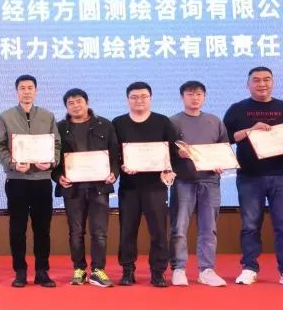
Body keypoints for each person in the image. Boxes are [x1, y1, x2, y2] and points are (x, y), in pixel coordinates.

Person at [223, 67, 283, 288]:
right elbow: (225, 139)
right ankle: (249, 268)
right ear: (248, 84)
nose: (262, 84)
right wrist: (250, 130)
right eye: (256, 80)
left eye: (267, 79)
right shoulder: (237, 109)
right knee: (250, 224)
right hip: (249, 176)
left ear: (273, 82)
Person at [0, 75, 61, 288]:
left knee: (42, 228)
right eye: (22, 88)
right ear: (17, 92)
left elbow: (56, 145)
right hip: (17, 180)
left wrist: (51, 162)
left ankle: (42, 271)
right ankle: (20, 272)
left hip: (42, 180)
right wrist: (13, 163)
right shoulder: (5, 116)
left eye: (30, 88)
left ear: (36, 91)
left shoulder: (48, 116)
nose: (26, 91)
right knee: (17, 228)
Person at [112, 82, 177, 287]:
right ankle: (127, 271)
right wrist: (122, 166)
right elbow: (113, 154)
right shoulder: (118, 123)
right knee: (127, 230)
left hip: (155, 186)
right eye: (134, 97)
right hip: (129, 187)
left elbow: (172, 152)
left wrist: (168, 168)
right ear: (127, 100)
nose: (139, 100)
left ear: (150, 98)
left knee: (158, 231)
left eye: (143, 96)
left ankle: (158, 272)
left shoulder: (162, 121)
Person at [52, 89, 119, 288]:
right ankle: (79, 269)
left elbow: (115, 154)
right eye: (70, 103)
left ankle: (98, 270)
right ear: (66, 107)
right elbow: (53, 158)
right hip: (73, 189)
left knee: (99, 232)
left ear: (87, 102)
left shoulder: (104, 124)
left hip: (99, 187)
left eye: (79, 101)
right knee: (76, 232)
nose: (75, 105)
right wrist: (58, 177)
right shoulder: (59, 128)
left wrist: (114, 173)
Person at [169, 81, 230, 287]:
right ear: (182, 97)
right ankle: (178, 269)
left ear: (204, 97)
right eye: (190, 94)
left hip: (210, 181)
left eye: (199, 94)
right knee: (179, 227)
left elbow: (224, 149)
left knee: (209, 228)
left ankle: (207, 270)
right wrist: (178, 153)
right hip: (183, 181)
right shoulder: (173, 122)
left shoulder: (215, 121)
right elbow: (166, 152)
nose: (194, 98)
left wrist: (221, 163)